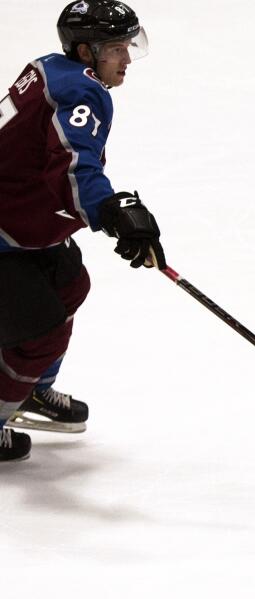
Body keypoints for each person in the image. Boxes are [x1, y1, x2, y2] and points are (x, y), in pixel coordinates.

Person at [0, 0, 165, 462]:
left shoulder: (52, 69)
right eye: (116, 48)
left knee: (71, 283)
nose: (127, 59)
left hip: (22, 223)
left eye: (129, 46)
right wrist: (111, 210)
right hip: (5, 232)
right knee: (41, 332)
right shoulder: (79, 93)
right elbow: (73, 165)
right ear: (87, 51)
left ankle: (29, 392)